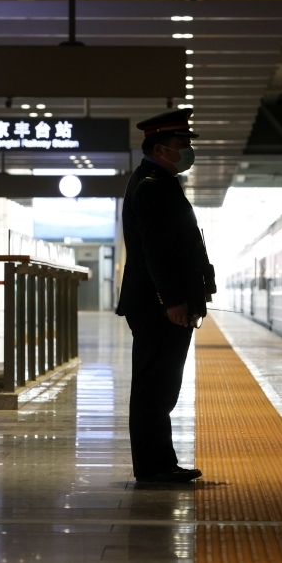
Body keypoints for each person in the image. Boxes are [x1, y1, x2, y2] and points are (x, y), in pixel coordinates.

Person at [116, 108, 215, 484]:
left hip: (158, 303)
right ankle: (154, 467)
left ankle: (160, 463)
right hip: (157, 305)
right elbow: (156, 249)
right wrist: (172, 300)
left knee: (161, 387)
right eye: (181, 143)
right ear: (160, 148)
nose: (188, 149)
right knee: (155, 388)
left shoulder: (160, 182)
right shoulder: (151, 186)